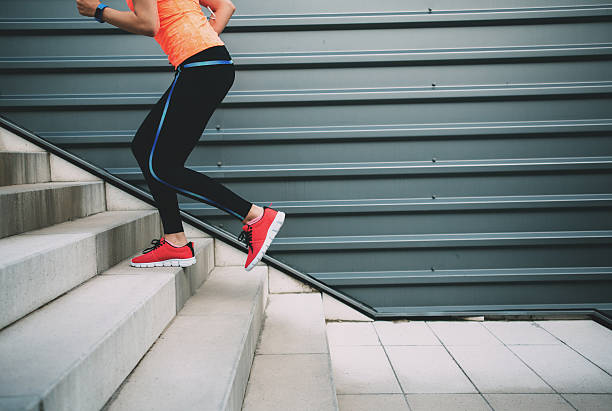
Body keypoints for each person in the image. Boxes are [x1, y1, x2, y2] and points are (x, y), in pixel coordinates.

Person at [76, 0, 285, 271]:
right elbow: (226, 7)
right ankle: (175, 240)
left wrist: (99, 12)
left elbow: (148, 25)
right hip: (209, 64)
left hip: (200, 68)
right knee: (144, 146)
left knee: (163, 167)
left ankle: (255, 215)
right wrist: (203, 39)